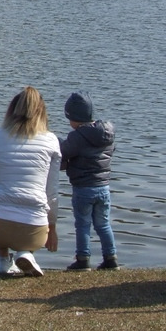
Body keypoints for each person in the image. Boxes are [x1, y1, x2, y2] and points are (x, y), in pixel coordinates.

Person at [0, 86, 61, 276]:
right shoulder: (51, 140)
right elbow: (52, 191)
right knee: (33, 209)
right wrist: (52, 227)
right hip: (34, 226)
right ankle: (25, 252)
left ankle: (1, 259)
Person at [60, 91, 119, 271]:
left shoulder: (77, 137)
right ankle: (111, 258)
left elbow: (64, 152)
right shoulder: (107, 134)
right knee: (103, 224)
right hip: (104, 187)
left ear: (74, 118)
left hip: (83, 188)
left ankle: (83, 259)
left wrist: (55, 140)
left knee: (83, 224)